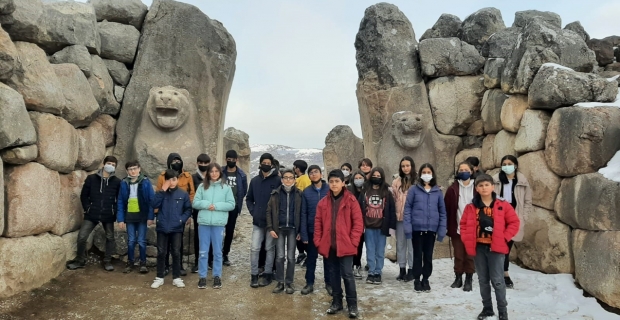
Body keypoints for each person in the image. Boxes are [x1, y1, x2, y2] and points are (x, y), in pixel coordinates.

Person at [460, 174, 520, 320]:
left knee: (498, 281)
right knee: (482, 280)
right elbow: (463, 225)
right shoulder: (470, 207)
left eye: (487, 185)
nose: (484, 188)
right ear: (477, 189)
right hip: (478, 248)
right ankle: (487, 308)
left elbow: (514, 223)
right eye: (480, 185)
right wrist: (466, 238)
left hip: (496, 249)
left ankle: (502, 311)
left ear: (493, 187)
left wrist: (504, 237)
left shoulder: (502, 205)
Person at [314, 170, 363, 318]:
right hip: (330, 245)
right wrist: (318, 241)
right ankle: (336, 302)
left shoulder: (351, 201)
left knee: (347, 274)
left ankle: (352, 305)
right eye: (331, 181)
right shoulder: (323, 203)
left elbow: (358, 224)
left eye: (337, 181)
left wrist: (353, 241)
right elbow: (318, 224)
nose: (334, 184)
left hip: (346, 246)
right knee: (333, 274)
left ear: (343, 183)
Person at [67, 156, 122, 271]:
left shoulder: (117, 182)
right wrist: (88, 208)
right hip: (92, 213)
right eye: (109, 163)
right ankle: (80, 260)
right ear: (103, 164)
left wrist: (114, 210)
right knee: (82, 236)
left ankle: (107, 261)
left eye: (113, 165)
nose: (110, 166)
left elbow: (119, 199)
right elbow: (84, 195)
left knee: (110, 237)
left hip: (108, 214)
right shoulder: (91, 178)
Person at [403, 163, 447, 292]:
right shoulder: (413, 190)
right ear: (420, 174)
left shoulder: (437, 191)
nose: (426, 174)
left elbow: (442, 211)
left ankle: (426, 279)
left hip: (431, 230)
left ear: (432, 174)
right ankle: (417, 279)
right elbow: (407, 209)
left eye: (429, 172)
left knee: (428, 256)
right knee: (417, 255)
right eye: (424, 172)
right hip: (417, 229)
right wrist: (408, 227)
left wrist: (442, 229)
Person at [193, 163, 236, 289]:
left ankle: (217, 276)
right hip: (204, 223)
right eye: (211, 171)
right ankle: (202, 277)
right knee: (203, 251)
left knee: (218, 252)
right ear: (208, 173)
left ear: (220, 173)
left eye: (216, 171)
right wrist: (207, 204)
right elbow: (195, 202)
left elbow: (231, 204)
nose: (214, 174)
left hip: (218, 224)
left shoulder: (226, 188)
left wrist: (216, 206)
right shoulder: (202, 186)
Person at [492, 155, 532, 289]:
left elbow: (527, 201)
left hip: (514, 218)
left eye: (509, 163)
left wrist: (523, 217)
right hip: (498, 217)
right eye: (504, 163)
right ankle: (504, 274)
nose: (506, 166)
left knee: (507, 247)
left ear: (515, 165)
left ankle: (502, 272)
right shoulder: (496, 180)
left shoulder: (522, 181)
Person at [150, 169, 192, 289]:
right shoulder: (161, 192)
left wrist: (181, 220)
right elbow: (154, 204)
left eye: (174, 179)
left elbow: (188, 209)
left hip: (176, 227)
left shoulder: (183, 194)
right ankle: (159, 277)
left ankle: (176, 277)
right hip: (162, 226)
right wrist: (163, 190)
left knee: (176, 252)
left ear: (177, 180)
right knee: (162, 252)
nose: (172, 182)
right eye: (169, 179)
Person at [156, 153, 195, 277]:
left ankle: (178, 267)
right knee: (164, 246)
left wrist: (186, 216)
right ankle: (165, 266)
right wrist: (157, 214)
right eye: (174, 161)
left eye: (179, 160)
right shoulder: (162, 176)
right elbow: (158, 194)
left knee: (178, 244)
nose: (176, 162)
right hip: (165, 215)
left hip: (179, 214)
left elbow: (191, 194)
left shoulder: (187, 176)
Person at [247, 153, 282, 288]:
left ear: (272, 164)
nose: (266, 165)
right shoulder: (255, 181)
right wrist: (253, 211)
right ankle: (254, 275)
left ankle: (268, 273)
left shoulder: (277, 181)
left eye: (268, 163)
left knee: (269, 248)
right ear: (260, 163)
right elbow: (249, 198)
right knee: (255, 248)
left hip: (272, 223)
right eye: (264, 162)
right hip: (258, 221)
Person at [266, 169, 302, 294]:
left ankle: (289, 282)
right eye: (285, 177)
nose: (288, 180)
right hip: (279, 229)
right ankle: (280, 282)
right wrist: (270, 228)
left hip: (293, 229)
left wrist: (300, 230)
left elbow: (302, 213)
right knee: (280, 256)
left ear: (294, 180)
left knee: (291, 257)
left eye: (291, 177)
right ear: (282, 180)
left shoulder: (298, 194)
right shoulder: (275, 193)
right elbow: (268, 212)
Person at [358, 167, 396, 285]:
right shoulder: (365, 190)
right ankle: (371, 271)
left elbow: (391, 210)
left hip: (381, 227)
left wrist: (391, 227)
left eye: (379, 176)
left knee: (380, 251)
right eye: (374, 175)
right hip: (369, 226)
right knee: (370, 250)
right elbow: (359, 208)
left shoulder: (386, 192)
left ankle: (378, 272)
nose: (376, 178)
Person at [117, 160, 155, 274]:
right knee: (131, 240)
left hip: (142, 216)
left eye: (135, 168)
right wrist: (120, 219)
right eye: (130, 169)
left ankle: (143, 263)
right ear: (126, 171)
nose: (133, 171)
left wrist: (150, 217)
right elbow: (120, 201)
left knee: (142, 240)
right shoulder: (124, 182)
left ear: (139, 169)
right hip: (129, 216)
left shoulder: (145, 181)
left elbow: (151, 200)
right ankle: (130, 262)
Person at [445, 161, 477, 291]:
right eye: (461, 170)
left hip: (473, 229)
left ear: (471, 171)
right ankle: (458, 277)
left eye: (466, 169)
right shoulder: (452, 189)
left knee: (470, 255)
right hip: (457, 227)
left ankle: (469, 278)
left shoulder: (477, 188)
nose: (463, 172)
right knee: (458, 254)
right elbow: (446, 208)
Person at [300, 165, 331, 295]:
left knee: (328, 259)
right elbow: (304, 213)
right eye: (311, 173)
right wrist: (304, 234)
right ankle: (309, 283)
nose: (314, 174)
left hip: (328, 231)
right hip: (312, 230)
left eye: (316, 172)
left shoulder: (329, 189)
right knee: (311, 258)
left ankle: (329, 283)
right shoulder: (306, 192)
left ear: (321, 174)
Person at [221, 150, 248, 267]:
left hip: (233, 207)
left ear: (236, 160)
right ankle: (215, 254)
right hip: (220, 206)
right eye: (228, 159)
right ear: (226, 159)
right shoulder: (220, 172)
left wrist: (237, 204)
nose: (230, 161)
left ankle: (225, 254)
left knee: (229, 231)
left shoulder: (241, 175)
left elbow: (244, 191)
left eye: (233, 159)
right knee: (218, 231)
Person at [391, 157, 416, 282]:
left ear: (412, 166)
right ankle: (402, 269)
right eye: (403, 166)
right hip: (399, 218)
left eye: (408, 165)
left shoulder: (417, 181)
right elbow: (394, 198)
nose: (406, 168)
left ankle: (411, 270)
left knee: (411, 245)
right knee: (400, 244)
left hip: (412, 219)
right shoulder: (396, 182)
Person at [190, 153, 211, 273]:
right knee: (198, 237)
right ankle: (198, 262)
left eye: (205, 163)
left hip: (212, 212)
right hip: (198, 212)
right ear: (197, 163)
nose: (203, 165)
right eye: (201, 163)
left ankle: (209, 261)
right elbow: (192, 195)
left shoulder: (212, 177)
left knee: (211, 237)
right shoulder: (193, 178)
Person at [348, 171, 366, 279]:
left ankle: (357, 264)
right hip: (350, 221)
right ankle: (349, 264)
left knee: (359, 245)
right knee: (351, 243)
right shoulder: (349, 191)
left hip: (363, 222)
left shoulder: (367, 191)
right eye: (356, 178)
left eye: (360, 178)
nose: (358, 180)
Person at [293, 159, 310, 266]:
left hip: (302, 211)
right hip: (296, 211)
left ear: (297, 169)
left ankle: (308, 254)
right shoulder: (299, 179)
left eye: (294, 167)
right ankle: (301, 253)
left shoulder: (305, 180)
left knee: (301, 234)